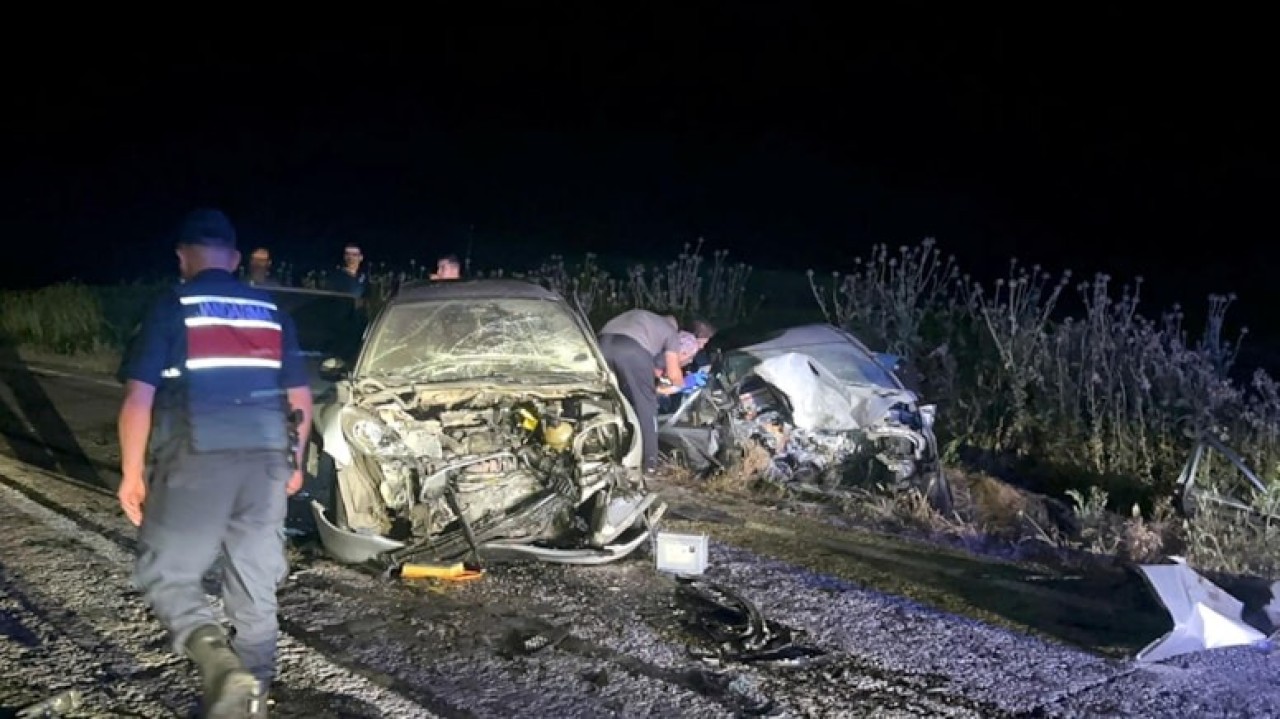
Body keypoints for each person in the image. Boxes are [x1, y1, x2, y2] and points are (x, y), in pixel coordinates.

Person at [116, 208, 312, 718]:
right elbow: (300, 397)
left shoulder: (171, 306)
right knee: (255, 585)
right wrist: (295, 462)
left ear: (183, 256)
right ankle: (252, 704)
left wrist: (132, 474)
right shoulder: (272, 312)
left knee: (168, 572)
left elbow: (139, 398)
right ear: (235, 258)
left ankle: (222, 671)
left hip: (199, 459)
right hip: (268, 461)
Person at [597, 309, 696, 474]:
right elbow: (673, 373)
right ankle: (649, 464)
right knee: (646, 407)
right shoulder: (671, 332)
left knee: (614, 400)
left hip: (600, 345)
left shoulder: (640, 317)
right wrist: (683, 383)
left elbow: (652, 371)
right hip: (631, 349)